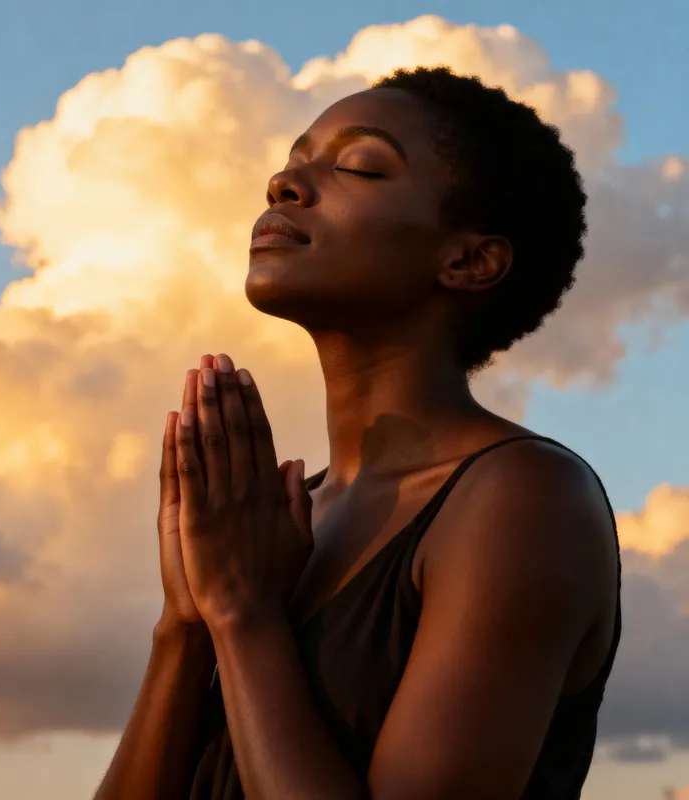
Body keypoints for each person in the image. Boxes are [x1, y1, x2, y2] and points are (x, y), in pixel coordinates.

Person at [94, 65, 622, 800]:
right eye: (291, 161)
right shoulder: (266, 523)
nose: (285, 184)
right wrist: (185, 625)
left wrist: (244, 620)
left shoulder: (523, 500)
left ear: (468, 260)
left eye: (356, 166)